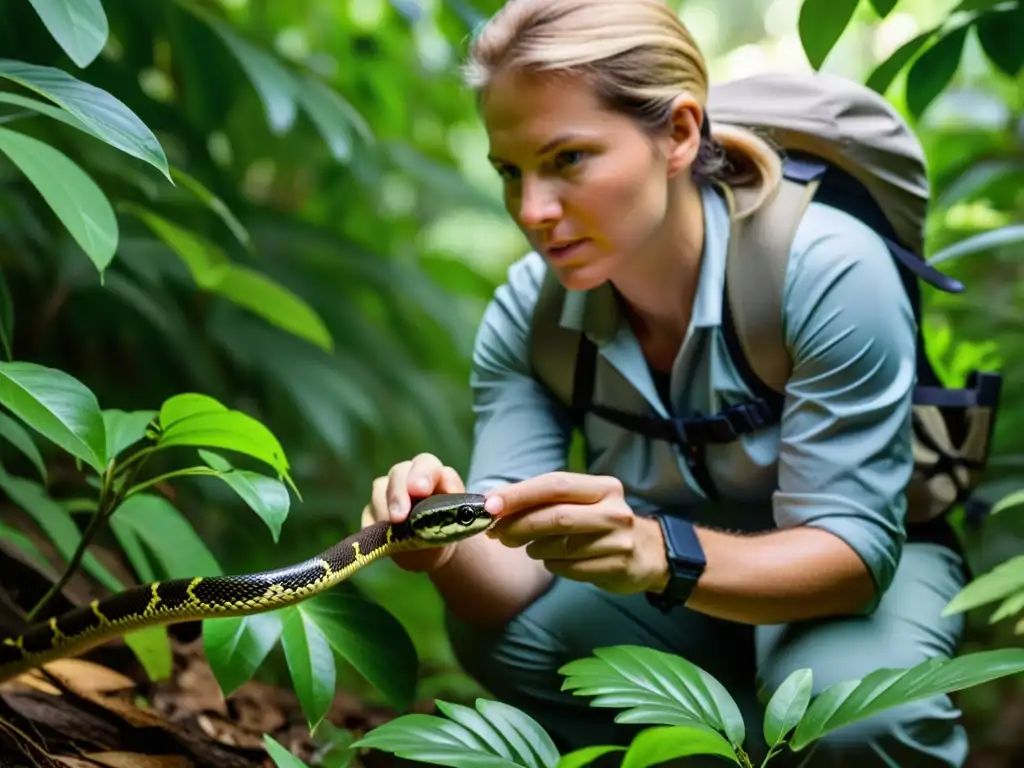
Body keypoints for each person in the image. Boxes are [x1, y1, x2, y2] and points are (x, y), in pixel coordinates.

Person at [360, 0, 969, 764]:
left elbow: (853, 554)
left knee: (855, 721)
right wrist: (435, 543)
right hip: (670, 579)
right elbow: (505, 586)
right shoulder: (531, 310)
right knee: (513, 640)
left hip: (855, 564)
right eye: (510, 172)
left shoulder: (827, 268)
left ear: (679, 134)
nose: (532, 210)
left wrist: (659, 553)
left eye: (568, 159)